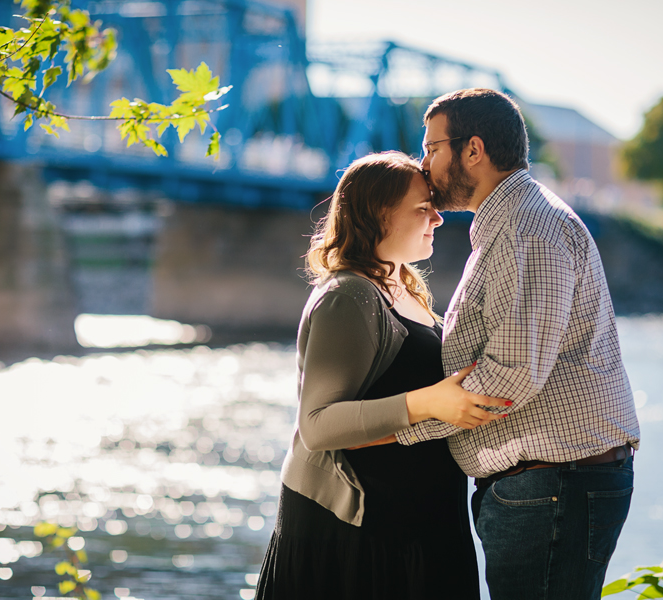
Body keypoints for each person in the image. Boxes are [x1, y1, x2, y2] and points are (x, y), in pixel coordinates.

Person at [395, 88, 642, 600]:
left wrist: (396, 426)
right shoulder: (514, 220)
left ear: (473, 150)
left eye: (432, 147)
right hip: (549, 485)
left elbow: (511, 376)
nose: (425, 163)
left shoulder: (525, 229)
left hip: (554, 486)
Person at [255, 151, 509, 600]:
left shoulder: (403, 285)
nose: (437, 217)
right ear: (378, 213)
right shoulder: (348, 295)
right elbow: (317, 425)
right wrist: (427, 403)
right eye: (422, 207)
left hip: (419, 523)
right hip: (357, 533)